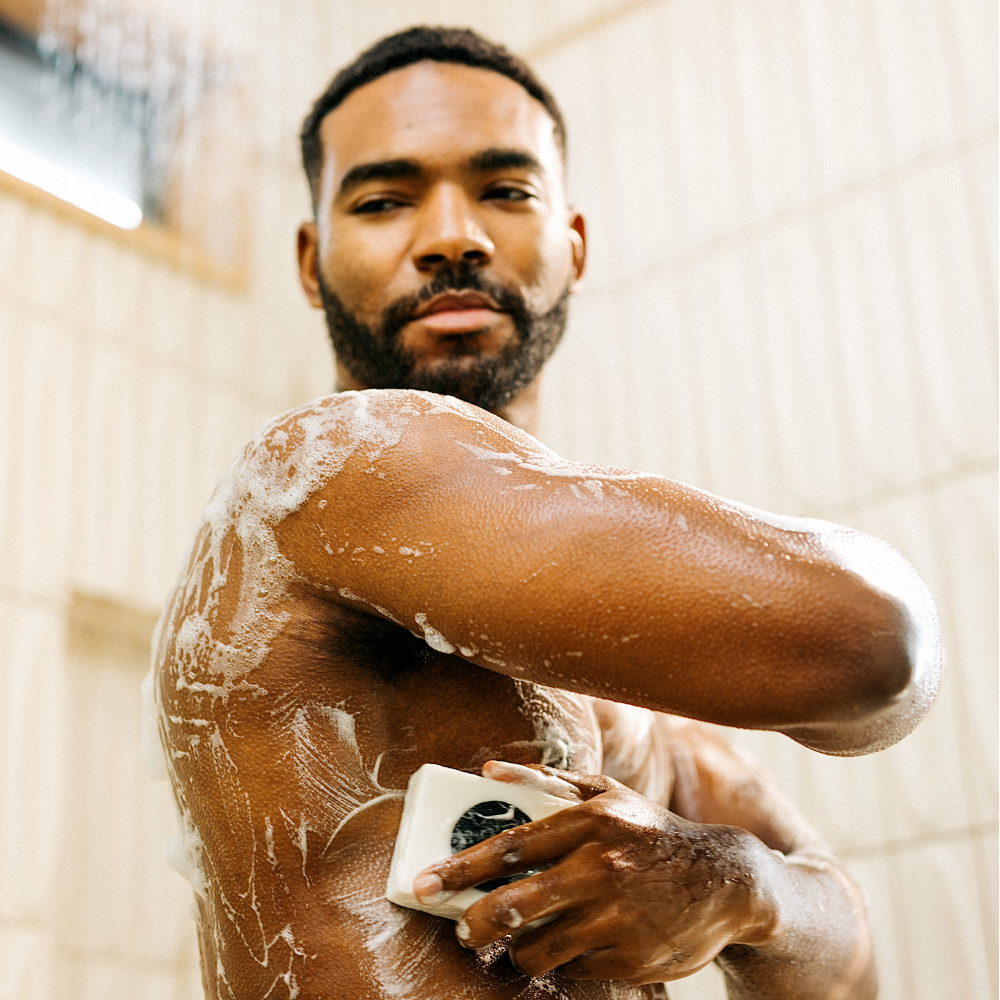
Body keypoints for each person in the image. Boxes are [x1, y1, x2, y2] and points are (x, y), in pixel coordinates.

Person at [151, 27, 940, 1000]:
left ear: (572, 242)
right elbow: (875, 643)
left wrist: (742, 886)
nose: (451, 235)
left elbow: (849, 967)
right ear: (312, 260)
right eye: (385, 199)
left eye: (505, 189)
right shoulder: (328, 471)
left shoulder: (619, 677)